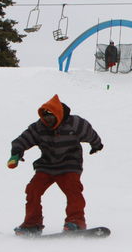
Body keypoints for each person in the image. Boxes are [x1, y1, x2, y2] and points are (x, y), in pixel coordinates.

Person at [7, 94, 104, 236]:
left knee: (73, 190)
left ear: (58, 114)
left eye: (51, 117)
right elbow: (23, 139)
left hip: (69, 164)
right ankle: (32, 224)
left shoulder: (75, 124)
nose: (47, 120)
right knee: (33, 190)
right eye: (45, 117)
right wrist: (16, 153)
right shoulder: (39, 127)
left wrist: (96, 144)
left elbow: (89, 132)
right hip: (47, 165)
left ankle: (76, 221)